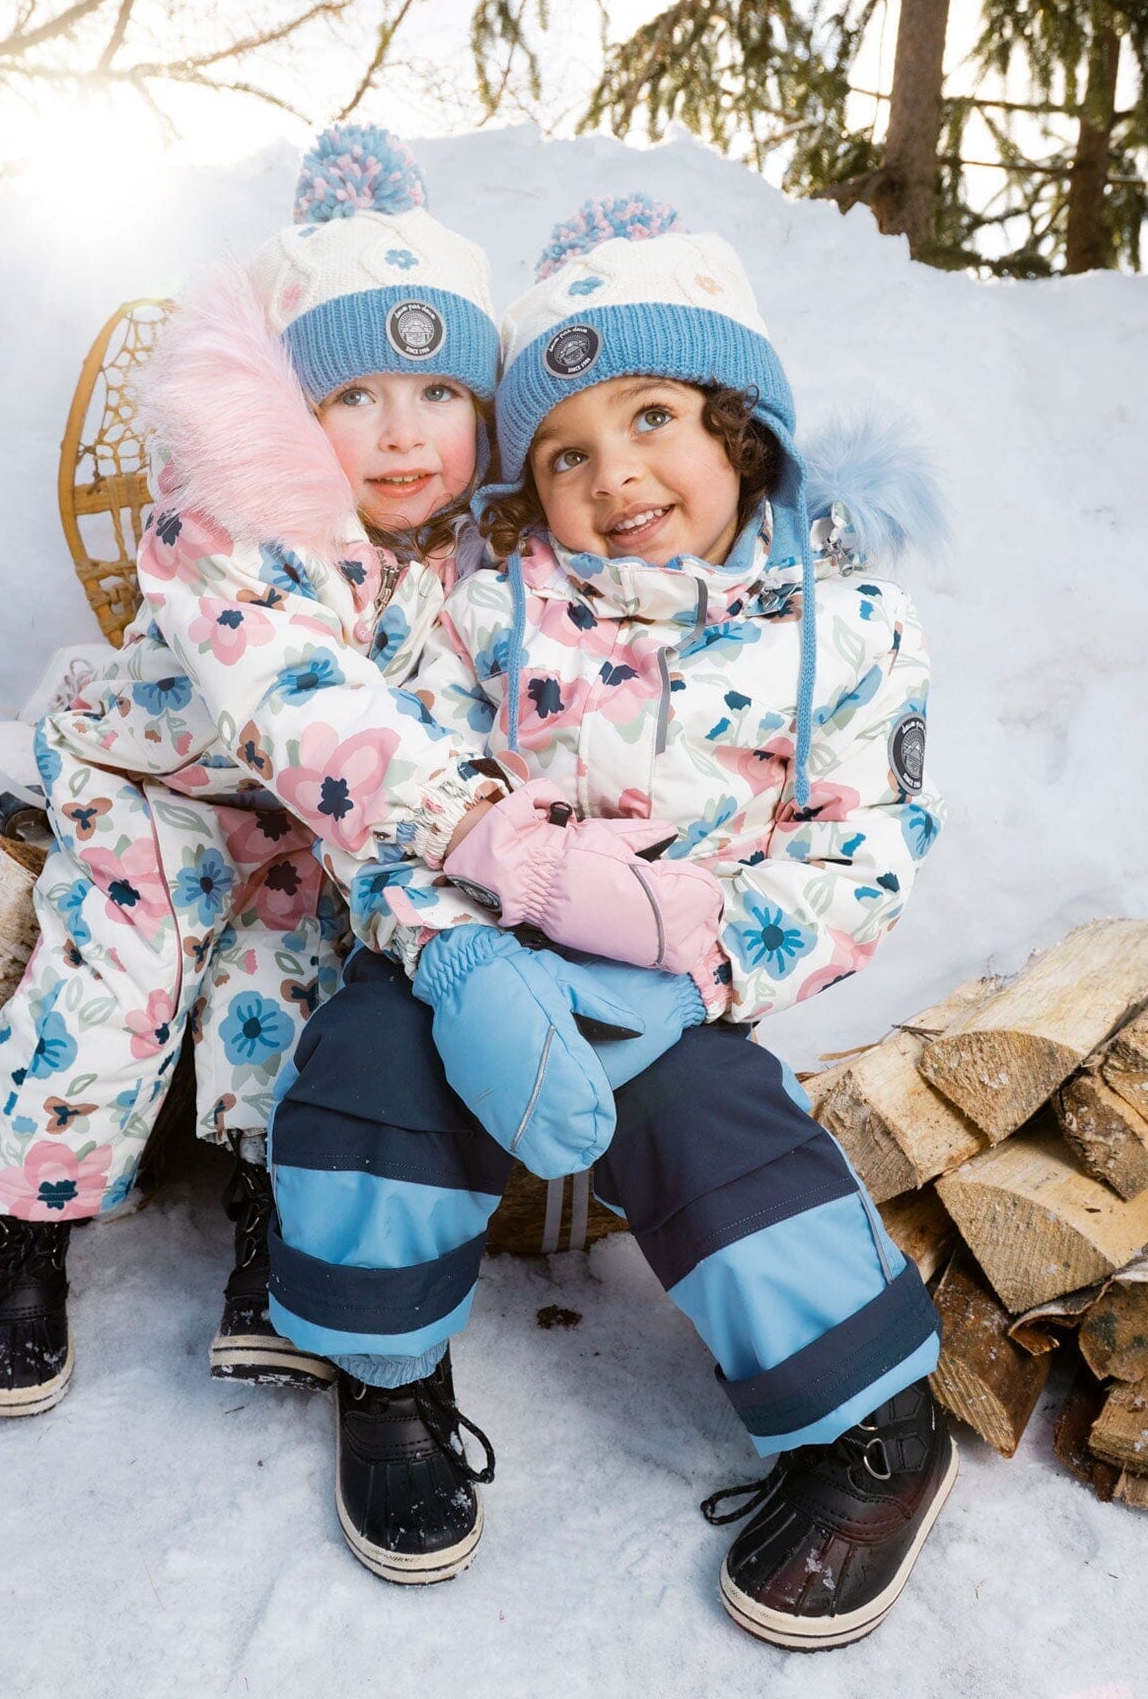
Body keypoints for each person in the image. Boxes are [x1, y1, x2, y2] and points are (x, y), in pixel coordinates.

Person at [266, 194, 957, 1647]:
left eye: (652, 419)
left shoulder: (845, 627)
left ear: (740, 430)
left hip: (678, 980)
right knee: (372, 1056)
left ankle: (870, 1427)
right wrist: (452, 949)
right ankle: (385, 1373)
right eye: (565, 454)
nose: (615, 472)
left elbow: (868, 847)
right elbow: (396, 800)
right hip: (482, 958)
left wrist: (699, 956)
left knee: (710, 1122)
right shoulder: (486, 615)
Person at [0, 125, 519, 1414]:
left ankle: (270, 1221)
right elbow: (287, 694)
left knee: (292, 989)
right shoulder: (233, 518)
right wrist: (448, 812)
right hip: (158, 784)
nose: (401, 435)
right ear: (291, 412)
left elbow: (450, 699)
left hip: (306, 819)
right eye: (354, 398)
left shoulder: (459, 553)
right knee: (117, 984)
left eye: (438, 395)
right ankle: (23, 1227)